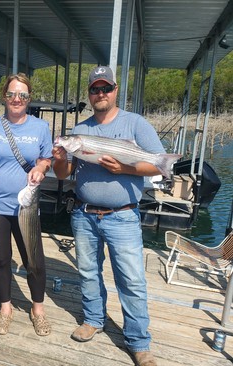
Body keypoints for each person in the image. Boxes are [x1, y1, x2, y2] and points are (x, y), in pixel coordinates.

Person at [52, 66, 159, 366]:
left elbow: (158, 165)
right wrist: (61, 157)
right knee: (88, 273)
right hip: (84, 215)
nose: (101, 94)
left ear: (115, 91)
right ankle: (93, 320)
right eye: (95, 89)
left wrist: (124, 168)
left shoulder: (135, 124)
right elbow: (64, 174)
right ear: (89, 95)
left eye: (106, 88)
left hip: (123, 216)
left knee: (132, 280)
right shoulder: (81, 131)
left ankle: (138, 342)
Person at [0, 73, 52, 336]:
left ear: (29, 98)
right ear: (4, 97)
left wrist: (41, 169)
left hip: (27, 208)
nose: (16, 99)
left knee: (35, 260)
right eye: (11, 94)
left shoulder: (41, 127)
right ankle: (5, 308)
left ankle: (37, 309)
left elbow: (46, 158)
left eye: (22, 95)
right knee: (1, 258)